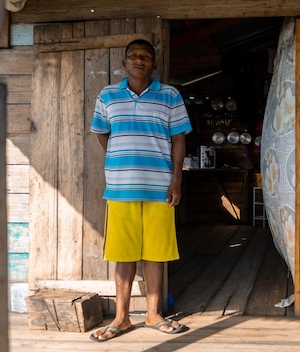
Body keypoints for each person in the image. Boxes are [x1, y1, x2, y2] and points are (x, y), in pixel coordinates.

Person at [89, 39, 192, 342]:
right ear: (124, 62)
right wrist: (123, 158)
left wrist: (177, 180)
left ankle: (153, 314)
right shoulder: (108, 95)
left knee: (156, 253)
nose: (139, 60)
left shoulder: (170, 95)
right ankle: (121, 319)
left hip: (160, 187)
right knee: (124, 253)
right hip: (121, 188)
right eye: (133, 56)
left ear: (154, 64)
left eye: (145, 57)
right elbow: (102, 134)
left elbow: (178, 140)